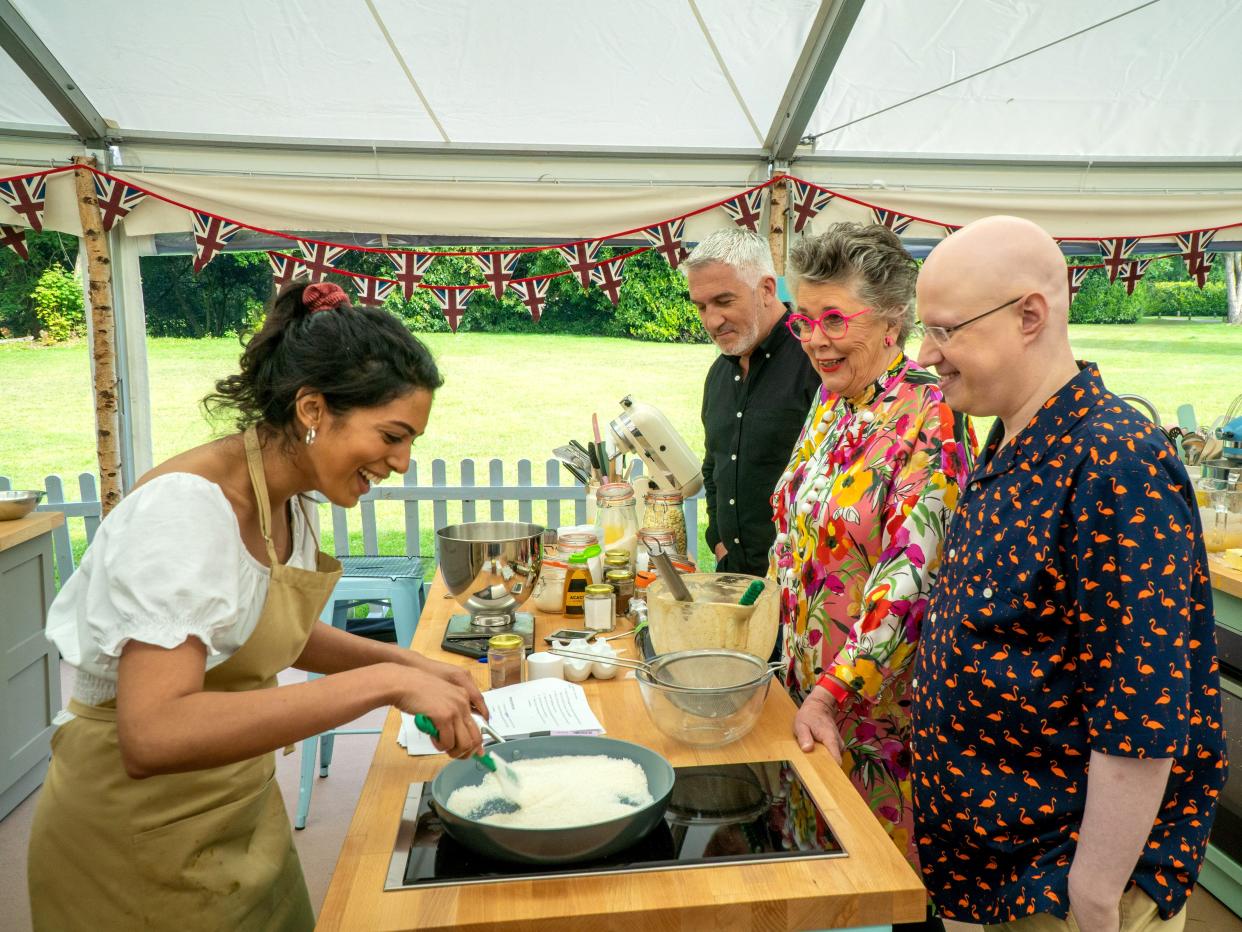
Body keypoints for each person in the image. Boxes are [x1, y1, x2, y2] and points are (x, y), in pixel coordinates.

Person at [27, 281, 487, 931]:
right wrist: (385, 684)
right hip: (138, 844)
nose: (404, 462)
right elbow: (152, 733)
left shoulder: (290, 500)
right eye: (392, 435)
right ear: (312, 408)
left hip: (240, 813)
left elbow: (264, 633)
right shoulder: (185, 513)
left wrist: (409, 664)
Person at [910, 216, 1227, 932]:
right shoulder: (1011, 436)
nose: (926, 353)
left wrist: (1094, 893)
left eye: (946, 330)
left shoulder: (1116, 463)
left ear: (1030, 316)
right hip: (988, 871)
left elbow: (1142, 708)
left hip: (1059, 888)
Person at [772, 223, 972, 931]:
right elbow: (797, 533)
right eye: (804, 320)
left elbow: (913, 581)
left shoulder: (931, 413)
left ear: (892, 321)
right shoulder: (834, 400)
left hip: (880, 730)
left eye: (835, 320)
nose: (816, 340)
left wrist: (831, 692)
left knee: (890, 900)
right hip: (808, 712)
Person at [685, 228, 820, 577]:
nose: (711, 321)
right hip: (733, 577)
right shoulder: (718, 374)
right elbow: (714, 467)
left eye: (724, 301)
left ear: (766, 289)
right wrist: (717, 540)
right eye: (701, 306)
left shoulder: (816, 362)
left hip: (801, 587)